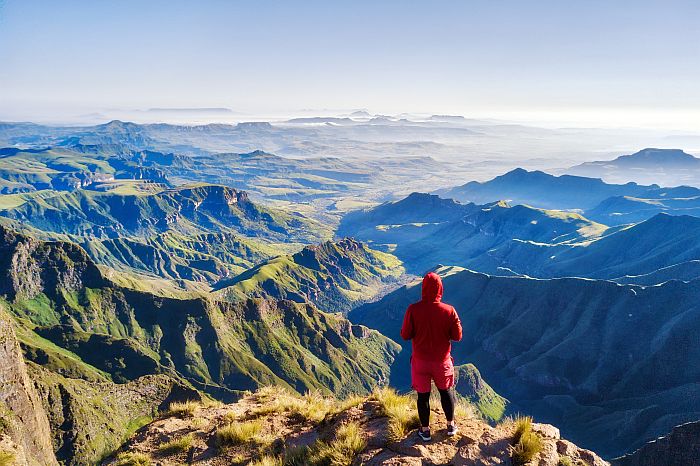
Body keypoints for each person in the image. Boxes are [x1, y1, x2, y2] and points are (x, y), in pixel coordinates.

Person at [400, 272, 462, 441]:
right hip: (442, 362)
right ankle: (450, 425)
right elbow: (457, 336)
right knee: (445, 392)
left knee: (423, 396)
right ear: (440, 288)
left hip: (420, 362)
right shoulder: (449, 311)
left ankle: (425, 430)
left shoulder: (413, 309)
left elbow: (405, 335)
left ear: (423, 288)